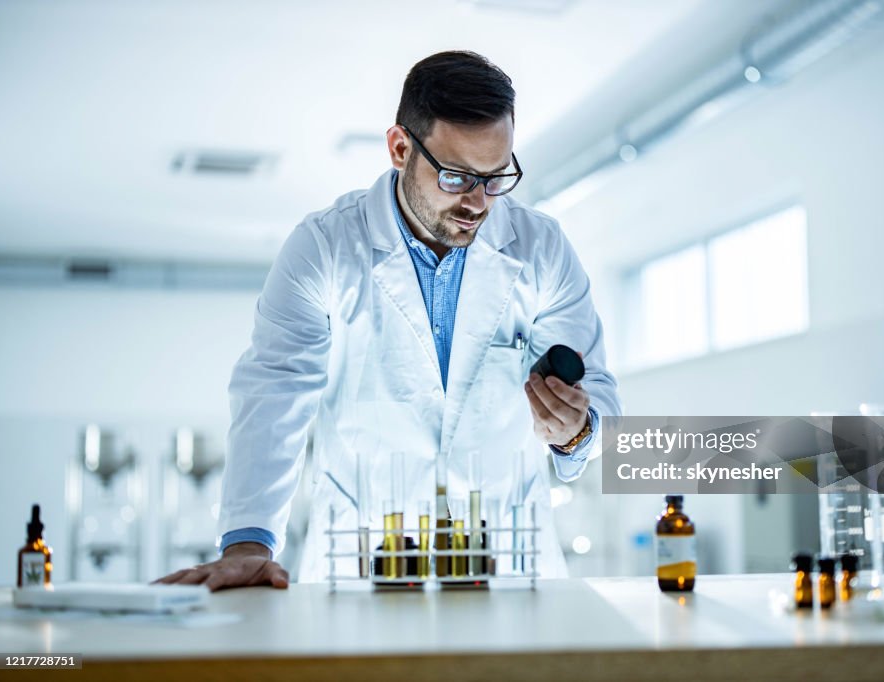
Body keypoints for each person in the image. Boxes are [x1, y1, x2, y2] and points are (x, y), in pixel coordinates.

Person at [155, 51, 621, 591]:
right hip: (360, 562)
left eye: (496, 178)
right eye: (456, 176)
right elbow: (275, 393)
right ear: (401, 149)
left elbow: (600, 392)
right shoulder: (326, 247)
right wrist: (247, 543)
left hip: (508, 562)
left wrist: (576, 430)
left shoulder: (540, 249)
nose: (479, 203)